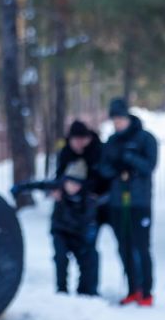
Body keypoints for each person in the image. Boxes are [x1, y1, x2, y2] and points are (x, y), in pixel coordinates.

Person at [101, 98, 158, 307]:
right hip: (118, 202)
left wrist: (130, 160)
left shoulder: (145, 138)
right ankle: (132, 288)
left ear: (127, 117)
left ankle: (147, 290)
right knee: (123, 246)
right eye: (114, 120)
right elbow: (103, 167)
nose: (117, 124)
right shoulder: (112, 141)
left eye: (120, 119)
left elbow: (149, 166)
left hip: (139, 202)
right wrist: (116, 169)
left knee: (141, 247)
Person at [51, 120, 107, 295]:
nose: (79, 144)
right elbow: (59, 176)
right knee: (61, 255)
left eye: (82, 139)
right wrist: (60, 189)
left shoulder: (97, 151)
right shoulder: (66, 153)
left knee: (89, 252)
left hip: (92, 208)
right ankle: (62, 291)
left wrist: (92, 194)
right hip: (67, 212)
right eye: (75, 140)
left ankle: (88, 290)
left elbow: (103, 178)